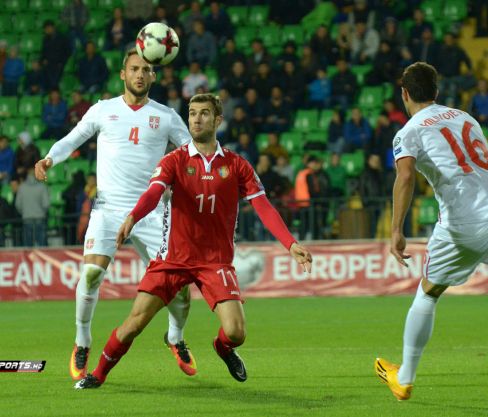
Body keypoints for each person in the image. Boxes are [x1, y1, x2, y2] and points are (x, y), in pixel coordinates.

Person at [74, 93, 313, 389]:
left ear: (218, 120)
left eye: (203, 113)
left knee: (237, 332)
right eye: (192, 113)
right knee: (134, 322)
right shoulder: (175, 160)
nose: (196, 119)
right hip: (173, 258)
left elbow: (264, 206)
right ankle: (97, 374)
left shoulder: (237, 165)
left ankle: (223, 348)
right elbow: (152, 193)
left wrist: (291, 244)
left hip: (215, 261)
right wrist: (133, 217)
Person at [374, 62, 488, 401]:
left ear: (404, 94)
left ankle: (404, 378)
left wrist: (396, 229)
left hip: (462, 227)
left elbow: (405, 177)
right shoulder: (465, 117)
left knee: (428, 293)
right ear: (436, 91)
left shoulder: (408, 131)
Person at [34, 48, 196, 382]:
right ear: (123, 74)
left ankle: (175, 337)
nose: (140, 74)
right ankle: (82, 342)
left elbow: (192, 153)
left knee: (179, 287)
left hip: (153, 213)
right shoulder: (103, 110)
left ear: (153, 75)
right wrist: (50, 158)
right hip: (108, 208)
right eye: (134, 69)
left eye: (146, 70)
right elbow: (74, 138)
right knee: (91, 275)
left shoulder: (165, 116)